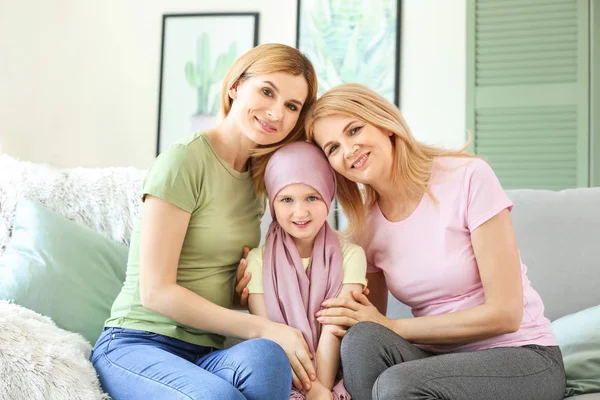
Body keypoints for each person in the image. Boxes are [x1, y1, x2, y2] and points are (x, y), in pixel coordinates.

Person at [302, 83, 567, 400]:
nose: (348, 150)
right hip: (437, 361)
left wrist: (394, 327)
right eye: (332, 148)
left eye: (354, 130)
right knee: (361, 340)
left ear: (385, 124)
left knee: (397, 385)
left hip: (523, 355)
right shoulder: (365, 228)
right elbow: (364, 322)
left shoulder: (467, 176)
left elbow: (506, 314)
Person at [90, 43, 320, 400]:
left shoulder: (259, 182)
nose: (276, 113)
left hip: (202, 355)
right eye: (266, 91)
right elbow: (156, 291)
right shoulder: (185, 159)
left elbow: (206, 277)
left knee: (268, 358)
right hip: (136, 344)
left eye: (292, 106)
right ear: (235, 87)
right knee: (218, 395)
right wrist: (261, 326)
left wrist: (238, 293)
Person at [245, 141, 367, 400]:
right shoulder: (257, 261)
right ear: (273, 204)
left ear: (328, 196)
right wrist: (315, 392)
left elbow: (333, 329)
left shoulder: (352, 256)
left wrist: (319, 389)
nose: (300, 212)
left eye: (312, 197)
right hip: (281, 374)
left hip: (336, 375)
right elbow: (268, 333)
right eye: (287, 199)